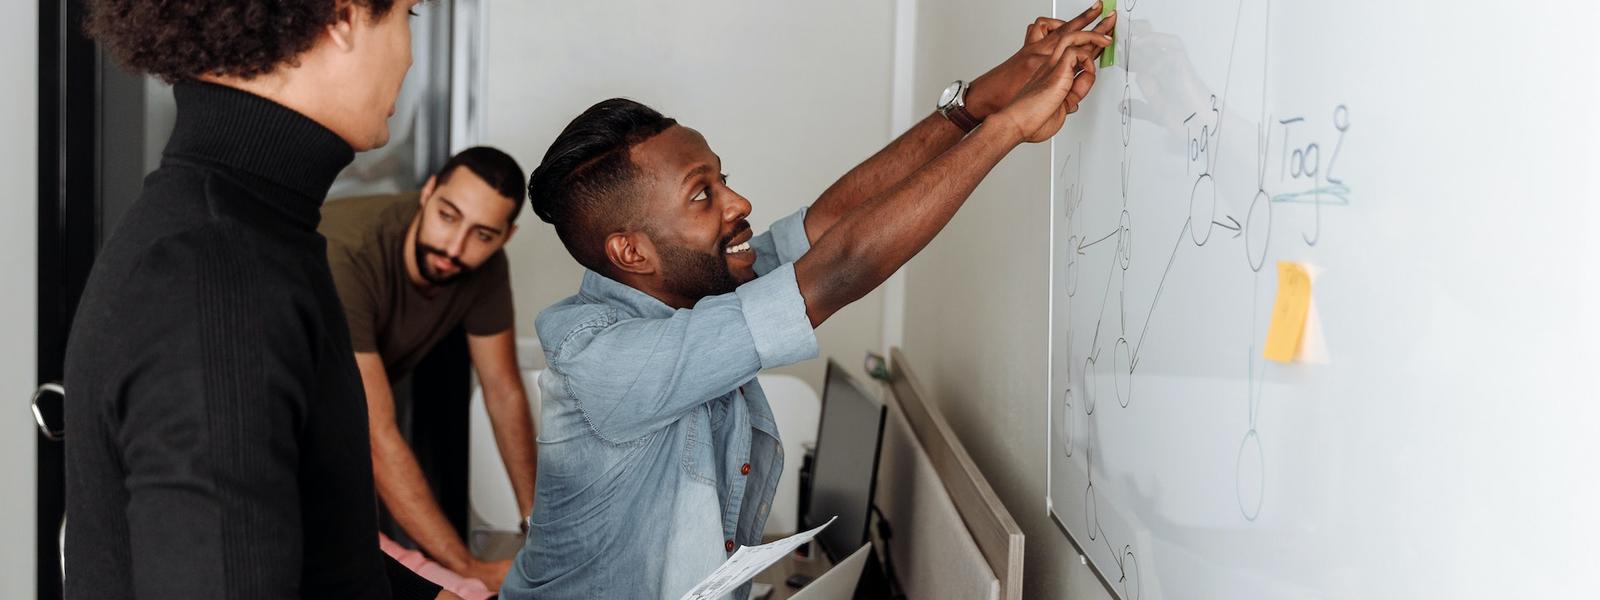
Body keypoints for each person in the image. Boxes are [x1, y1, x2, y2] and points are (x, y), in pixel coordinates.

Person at [501, 6, 1116, 599]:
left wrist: (983, 101)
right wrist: (1009, 129)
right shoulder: (605, 358)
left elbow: (824, 230)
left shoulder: (700, 284)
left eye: (722, 177)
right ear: (633, 254)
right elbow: (837, 269)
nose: (738, 202)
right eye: (702, 195)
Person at [64, 0, 456, 597]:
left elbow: (315, 543)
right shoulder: (215, 268)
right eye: (409, 15)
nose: (407, 55)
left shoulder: (251, 230)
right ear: (343, 16)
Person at [321, 146, 537, 589]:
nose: (453, 247)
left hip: (336, 437)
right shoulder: (349, 254)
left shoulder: (486, 269)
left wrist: (538, 529)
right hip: (271, 436)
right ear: (428, 193)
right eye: (448, 216)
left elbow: (503, 391)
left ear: (505, 237)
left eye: (482, 234)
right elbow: (377, 438)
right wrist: (468, 566)